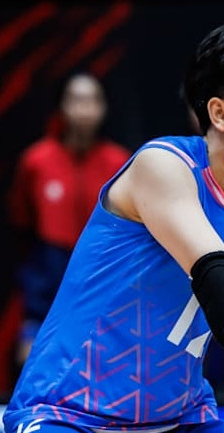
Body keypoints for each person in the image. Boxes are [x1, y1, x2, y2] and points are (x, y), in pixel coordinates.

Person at [3, 20, 224, 433]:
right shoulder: (162, 164)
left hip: (180, 424)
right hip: (69, 415)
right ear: (220, 113)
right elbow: (213, 272)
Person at [8, 73, 131, 365]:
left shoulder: (120, 161)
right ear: (61, 106)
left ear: (104, 107)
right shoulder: (36, 160)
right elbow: (20, 220)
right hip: (48, 276)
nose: (84, 109)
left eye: (92, 101)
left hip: (103, 276)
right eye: (76, 100)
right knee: (33, 365)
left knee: (102, 367)